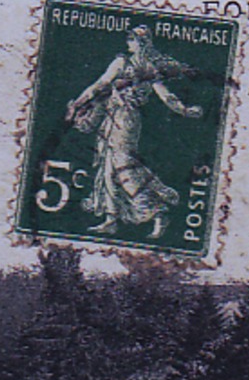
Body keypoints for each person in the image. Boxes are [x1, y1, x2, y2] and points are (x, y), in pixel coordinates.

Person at [64, 25, 203, 239]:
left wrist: (185, 110)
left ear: (142, 42)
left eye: (132, 39)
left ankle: (157, 210)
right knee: (107, 166)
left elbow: (165, 96)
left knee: (123, 166)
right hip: (111, 118)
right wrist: (78, 104)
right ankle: (111, 219)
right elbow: (99, 85)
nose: (128, 42)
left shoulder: (148, 68)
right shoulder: (123, 62)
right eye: (128, 38)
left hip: (126, 120)